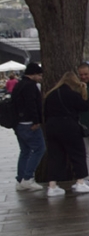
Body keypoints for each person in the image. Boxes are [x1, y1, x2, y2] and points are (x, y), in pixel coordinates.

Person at [42, 71, 89, 198]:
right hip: (69, 126)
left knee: (55, 156)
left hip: (51, 127)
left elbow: (45, 113)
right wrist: (84, 91)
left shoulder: (51, 95)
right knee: (77, 153)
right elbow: (85, 106)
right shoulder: (72, 94)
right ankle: (80, 182)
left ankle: (52, 186)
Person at [11, 63, 45, 192]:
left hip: (18, 123)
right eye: (39, 75)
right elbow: (32, 104)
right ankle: (28, 178)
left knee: (25, 151)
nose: (41, 77)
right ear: (33, 74)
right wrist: (36, 121)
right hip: (29, 123)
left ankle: (20, 180)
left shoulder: (19, 84)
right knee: (39, 148)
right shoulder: (30, 86)